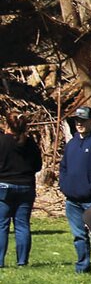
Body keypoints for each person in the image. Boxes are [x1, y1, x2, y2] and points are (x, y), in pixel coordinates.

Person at [58, 105, 91, 273]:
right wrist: (64, 186)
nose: (79, 124)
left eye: (83, 120)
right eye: (77, 121)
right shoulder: (72, 143)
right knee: (78, 236)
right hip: (72, 200)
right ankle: (82, 266)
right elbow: (64, 167)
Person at [0, 110, 42, 267]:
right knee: (22, 224)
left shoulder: (2, 141)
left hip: (3, 186)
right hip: (26, 186)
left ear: (6, 124)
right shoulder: (30, 144)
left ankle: (0, 261)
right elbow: (37, 166)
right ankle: (22, 261)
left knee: (2, 225)